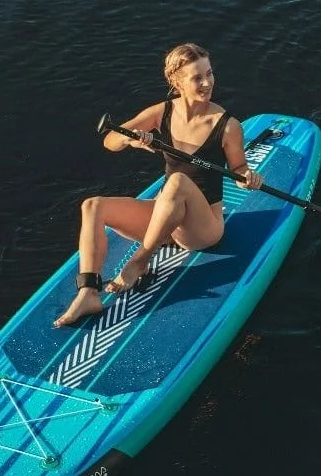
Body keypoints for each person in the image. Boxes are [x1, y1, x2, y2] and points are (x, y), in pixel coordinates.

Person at [53, 43, 263, 327]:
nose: (207, 83)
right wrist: (129, 139)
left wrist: (247, 177)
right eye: (197, 77)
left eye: (209, 74)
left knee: (177, 182)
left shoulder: (227, 125)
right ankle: (89, 292)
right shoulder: (161, 112)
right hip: (166, 219)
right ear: (176, 81)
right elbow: (110, 140)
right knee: (92, 205)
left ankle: (140, 260)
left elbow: (238, 169)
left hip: (202, 229)